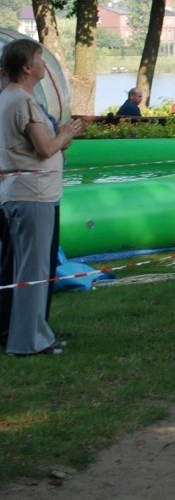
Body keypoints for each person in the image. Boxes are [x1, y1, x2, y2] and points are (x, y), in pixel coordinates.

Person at [0, 39, 85, 356]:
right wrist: (69, 132)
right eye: (38, 58)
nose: (43, 64)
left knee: (26, 270)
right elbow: (45, 148)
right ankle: (29, 341)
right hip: (32, 196)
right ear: (26, 67)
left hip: (19, 194)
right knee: (33, 272)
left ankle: (35, 333)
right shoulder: (22, 101)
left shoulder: (7, 97)